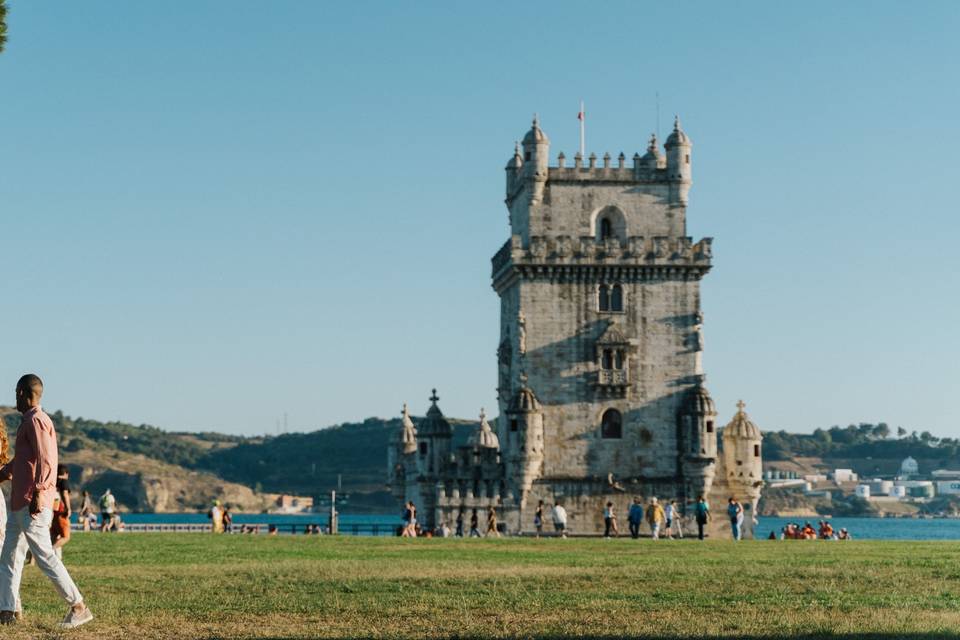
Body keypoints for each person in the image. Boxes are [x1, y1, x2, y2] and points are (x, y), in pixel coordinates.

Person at [0, 374, 92, 628]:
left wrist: (40, 491)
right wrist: (5, 473)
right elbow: (25, 460)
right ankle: (7, 611)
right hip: (20, 502)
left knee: (44, 556)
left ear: (21, 392)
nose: (14, 398)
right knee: (10, 556)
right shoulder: (28, 421)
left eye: (15, 393)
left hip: (32, 501)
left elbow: (47, 458)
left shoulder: (37, 421)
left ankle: (78, 606)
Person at [51, 465, 72, 558]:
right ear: (66, 474)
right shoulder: (63, 481)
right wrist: (68, 508)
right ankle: (49, 552)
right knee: (66, 537)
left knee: (55, 535)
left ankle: (55, 558)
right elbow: (65, 494)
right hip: (61, 512)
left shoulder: (53, 481)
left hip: (53, 512)